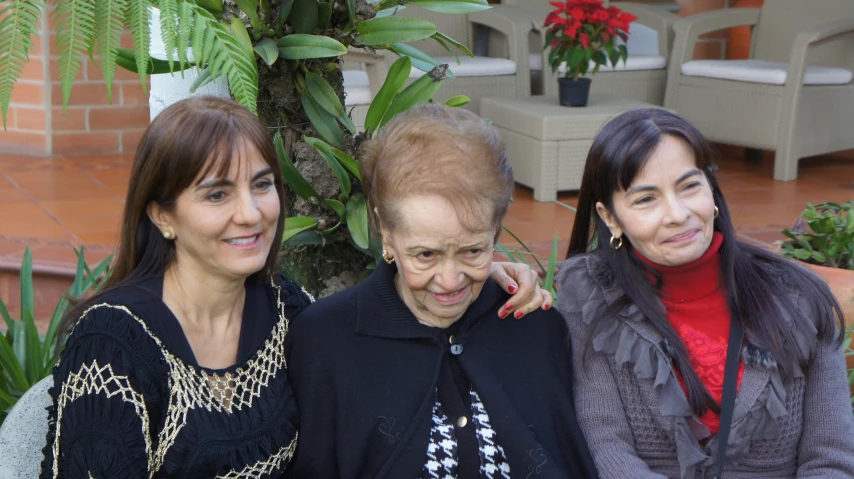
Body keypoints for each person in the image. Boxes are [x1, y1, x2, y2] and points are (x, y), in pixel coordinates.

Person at [40, 97, 549, 478]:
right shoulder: (114, 346)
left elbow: (370, 345)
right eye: (217, 194)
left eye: (261, 185)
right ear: (162, 215)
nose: (251, 212)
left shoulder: (283, 309)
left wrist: (481, 274)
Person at [284, 103, 598, 478]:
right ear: (385, 230)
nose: (450, 281)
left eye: (473, 251)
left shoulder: (533, 326)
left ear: (496, 229)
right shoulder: (325, 340)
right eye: (426, 254)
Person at [557, 108, 854, 478]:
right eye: (646, 199)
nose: (677, 214)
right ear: (610, 217)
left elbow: (830, 459)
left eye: (689, 186)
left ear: (710, 188)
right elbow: (606, 447)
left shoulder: (800, 297)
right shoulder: (588, 296)